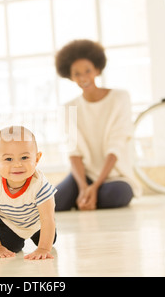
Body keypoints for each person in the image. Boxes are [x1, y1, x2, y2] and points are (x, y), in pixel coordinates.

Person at [54, 39, 141, 211]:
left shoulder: (120, 98)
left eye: (88, 71)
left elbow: (116, 146)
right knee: (53, 202)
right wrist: (83, 187)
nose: (84, 78)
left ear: (97, 70)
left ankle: (88, 198)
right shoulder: (68, 108)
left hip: (116, 177)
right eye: (77, 73)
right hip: (83, 177)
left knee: (115, 194)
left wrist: (95, 186)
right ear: (70, 77)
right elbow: (74, 153)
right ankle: (85, 197)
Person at [0, 126, 57, 259]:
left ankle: (44, 240)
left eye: (24, 157)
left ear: (37, 158)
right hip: (9, 223)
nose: (17, 165)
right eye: (8, 159)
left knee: (50, 240)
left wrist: (43, 248)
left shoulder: (39, 185)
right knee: (10, 248)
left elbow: (47, 218)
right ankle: (8, 240)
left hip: (37, 222)